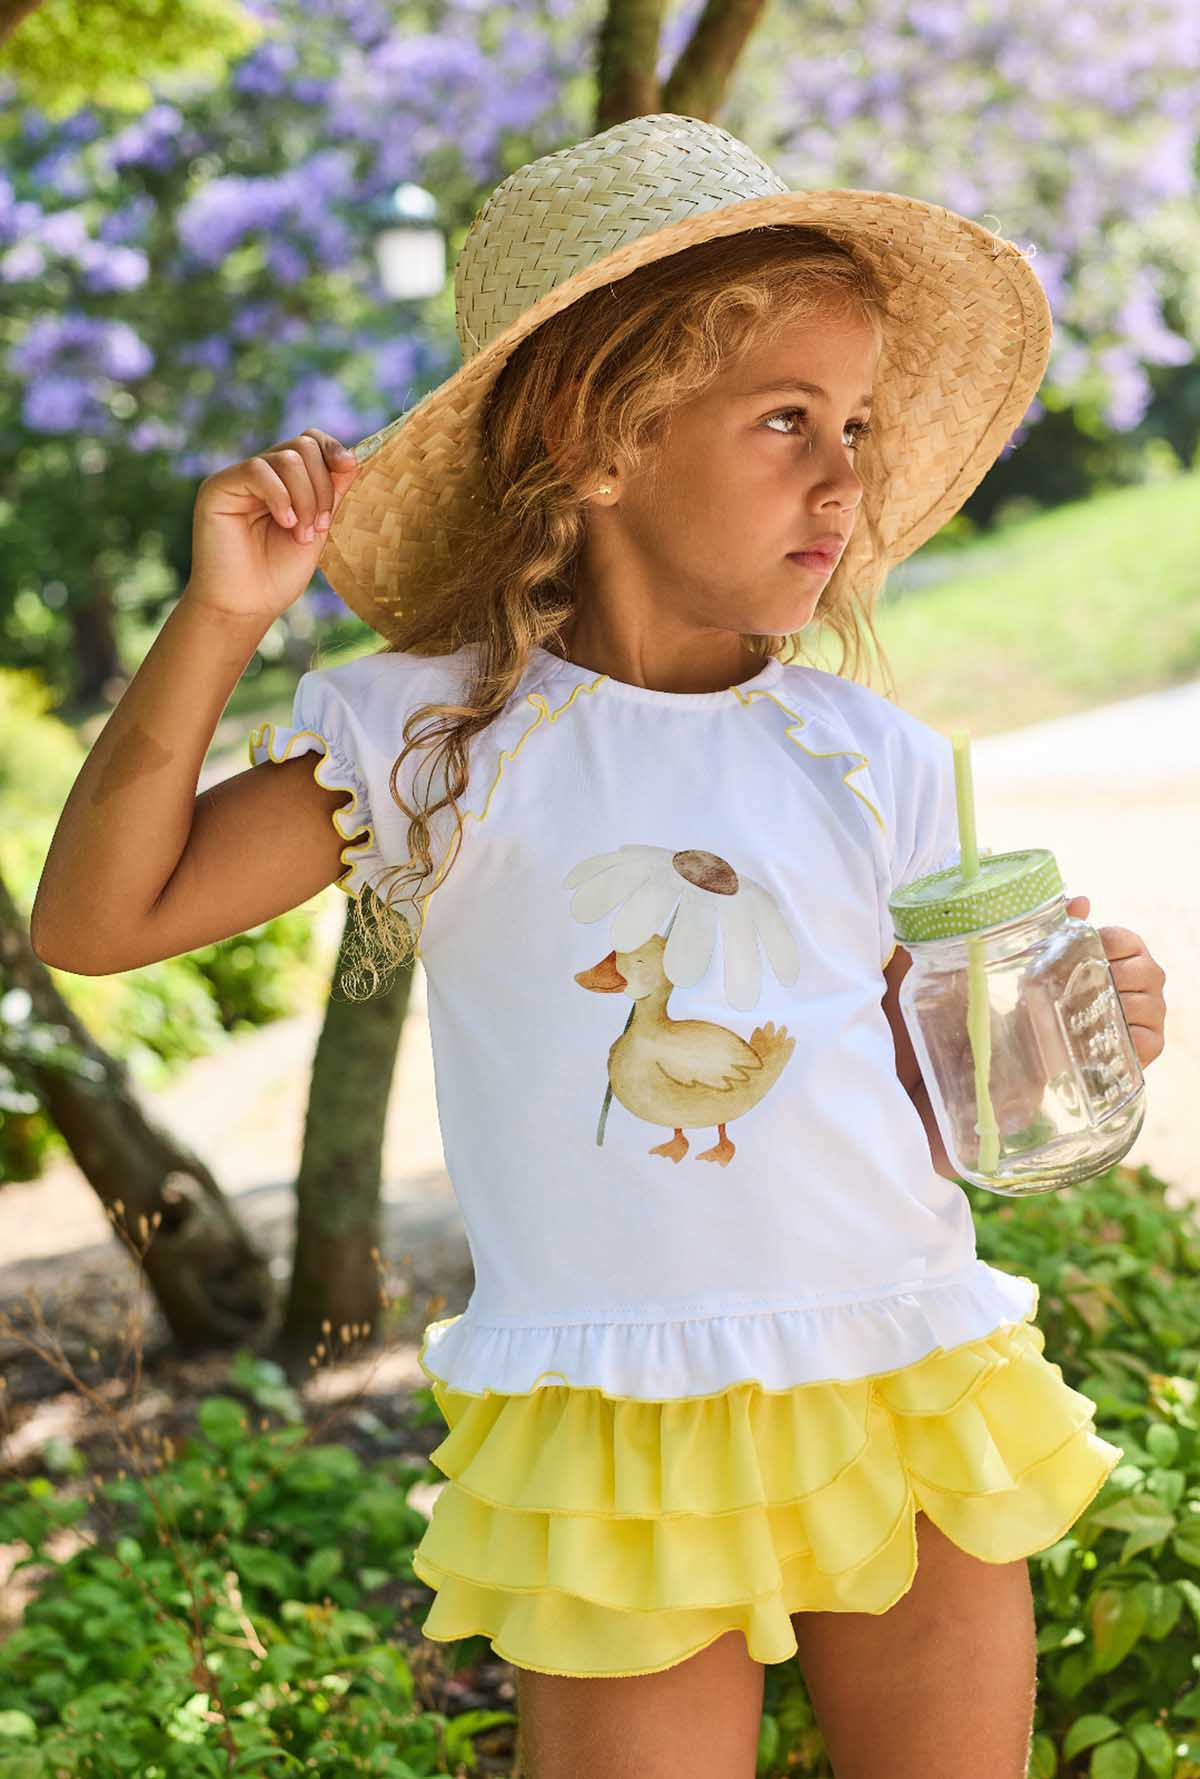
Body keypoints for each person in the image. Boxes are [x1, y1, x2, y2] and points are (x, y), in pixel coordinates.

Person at [33, 114, 1167, 1779]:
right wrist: (221, 619)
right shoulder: (434, 741)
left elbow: (942, 1110)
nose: (846, 478)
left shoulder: (874, 759)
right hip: (618, 1420)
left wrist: (1063, 1029)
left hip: (909, 1366)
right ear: (600, 444)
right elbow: (96, 922)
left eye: (857, 425)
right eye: (787, 419)